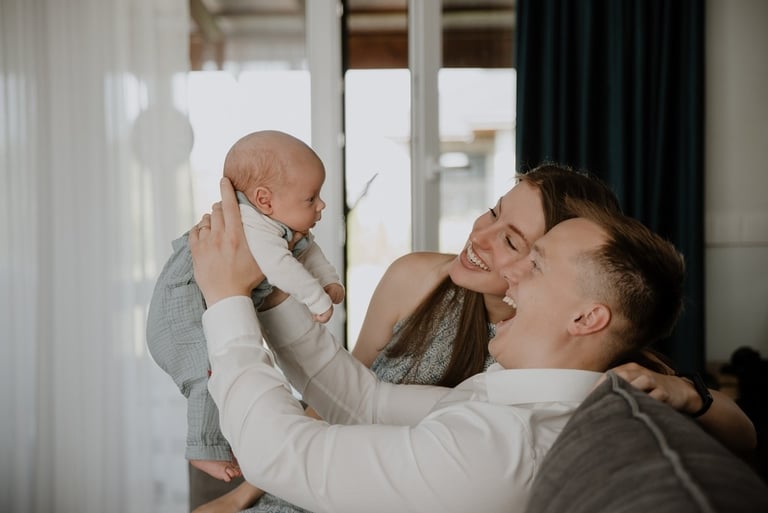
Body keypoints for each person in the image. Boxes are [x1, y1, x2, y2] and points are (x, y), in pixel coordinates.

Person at [195, 164, 757, 513]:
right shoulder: (513, 391)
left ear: (587, 319)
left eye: (531, 261)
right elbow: (365, 400)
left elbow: (285, 455)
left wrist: (225, 299)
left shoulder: (502, 443)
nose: (511, 277)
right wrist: (269, 296)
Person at [145, 131, 345, 500]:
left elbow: (309, 253)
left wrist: (329, 281)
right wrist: (316, 299)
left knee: (227, 376)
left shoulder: (281, 225)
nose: (322, 205)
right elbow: (280, 267)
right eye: (311, 198)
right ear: (264, 200)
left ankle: (222, 438)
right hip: (178, 319)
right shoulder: (250, 224)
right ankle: (202, 448)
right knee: (209, 374)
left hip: (204, 311)